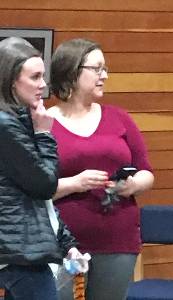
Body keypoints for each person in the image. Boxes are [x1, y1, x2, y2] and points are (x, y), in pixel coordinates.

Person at [48, 38, 154, 300]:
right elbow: (32, 188)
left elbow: (146, 172)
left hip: (117, 239)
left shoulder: (119, 118)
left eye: (105, 69)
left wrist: (131, 185)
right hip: (60, 243)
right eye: (97, 69)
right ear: (73, 71)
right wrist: (75, 183)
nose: (104, 76)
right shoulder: (45, 123)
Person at [0, 38, 84, 300]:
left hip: (22, 248)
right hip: (19, 253)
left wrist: (67, 243)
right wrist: (44, 134)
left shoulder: (20, 119)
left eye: (43, 76)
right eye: (35, 77)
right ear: (12, 79)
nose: (43, 85)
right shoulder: (6, 125)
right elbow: (46, 185)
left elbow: (36, 200)